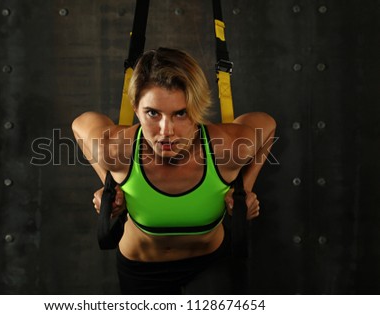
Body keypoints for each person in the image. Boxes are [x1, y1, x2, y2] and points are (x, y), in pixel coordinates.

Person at [72, 47, 276, 294]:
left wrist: (243, 190)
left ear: (198, 109)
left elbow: (267, 124)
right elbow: (80, 125)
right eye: (152, 113)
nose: (166, 130)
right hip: (140, 269)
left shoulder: (228, 148)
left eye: (181, 113)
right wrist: (111, 185)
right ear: (136, 108)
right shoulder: (115, 151)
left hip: (210, 264)